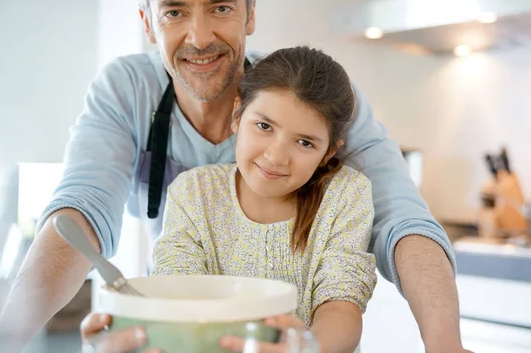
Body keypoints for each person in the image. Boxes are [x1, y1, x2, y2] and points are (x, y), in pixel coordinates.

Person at [0, 0, 468, 352]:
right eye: (174, 12)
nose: (199, 38)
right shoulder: (126, 93)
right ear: (147, 22)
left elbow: (402, 220)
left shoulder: (314, 100)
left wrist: (444, 344)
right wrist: (5, 339)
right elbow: (81, 212)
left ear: (250, 12)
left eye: (220, 7)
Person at [150, 46, 377, 352]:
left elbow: (341, 305)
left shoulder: (345, 194)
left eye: (305, 142)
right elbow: (176, 294)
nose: (275, 156)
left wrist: (308, 347)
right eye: (264, 126)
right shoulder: (193, 193)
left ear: (328, 153)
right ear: (237, 114)